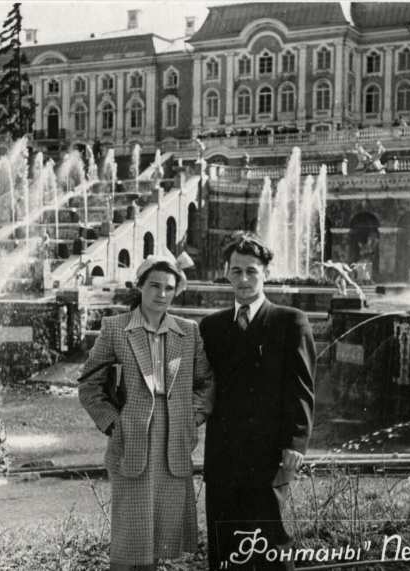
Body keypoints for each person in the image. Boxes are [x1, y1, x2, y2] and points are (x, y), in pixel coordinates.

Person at [78, 255, 215, 571]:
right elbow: (89, 384)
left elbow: (206, 383)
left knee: (160, 540)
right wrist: (114, 424)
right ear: (140, 286)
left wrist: (191, 418)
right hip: (131, 442)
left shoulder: (188, 331)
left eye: (169, 288)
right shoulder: (116, 328)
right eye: (154, 285)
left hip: (174, 442)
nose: (162, 294)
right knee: (129, 540)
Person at [199, 232, 316, 571]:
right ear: (226, 273)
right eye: (236, 271)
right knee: (224, 552)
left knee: (271, 549)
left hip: (268, 456)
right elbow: (200, 384)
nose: (244, 279)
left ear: (266, 272)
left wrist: (296, 442)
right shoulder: (212, 326)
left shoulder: (288, 320)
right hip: (223, 455)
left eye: (251, 270)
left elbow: (302, 387)